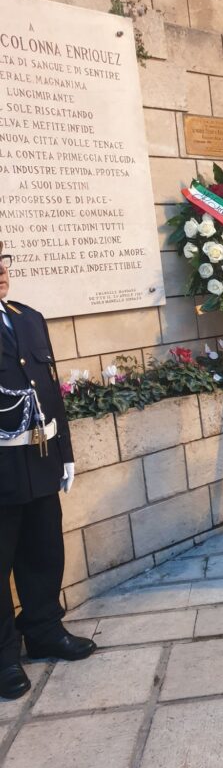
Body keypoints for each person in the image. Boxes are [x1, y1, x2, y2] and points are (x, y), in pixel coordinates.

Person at [0, 243, 96, 701]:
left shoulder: (27, 317)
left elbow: (48, 391)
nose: (1, 271)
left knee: (43, 550)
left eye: (2, 259)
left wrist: (64, 451)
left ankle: (43, 629)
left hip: (37, 460)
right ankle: (2, 658)